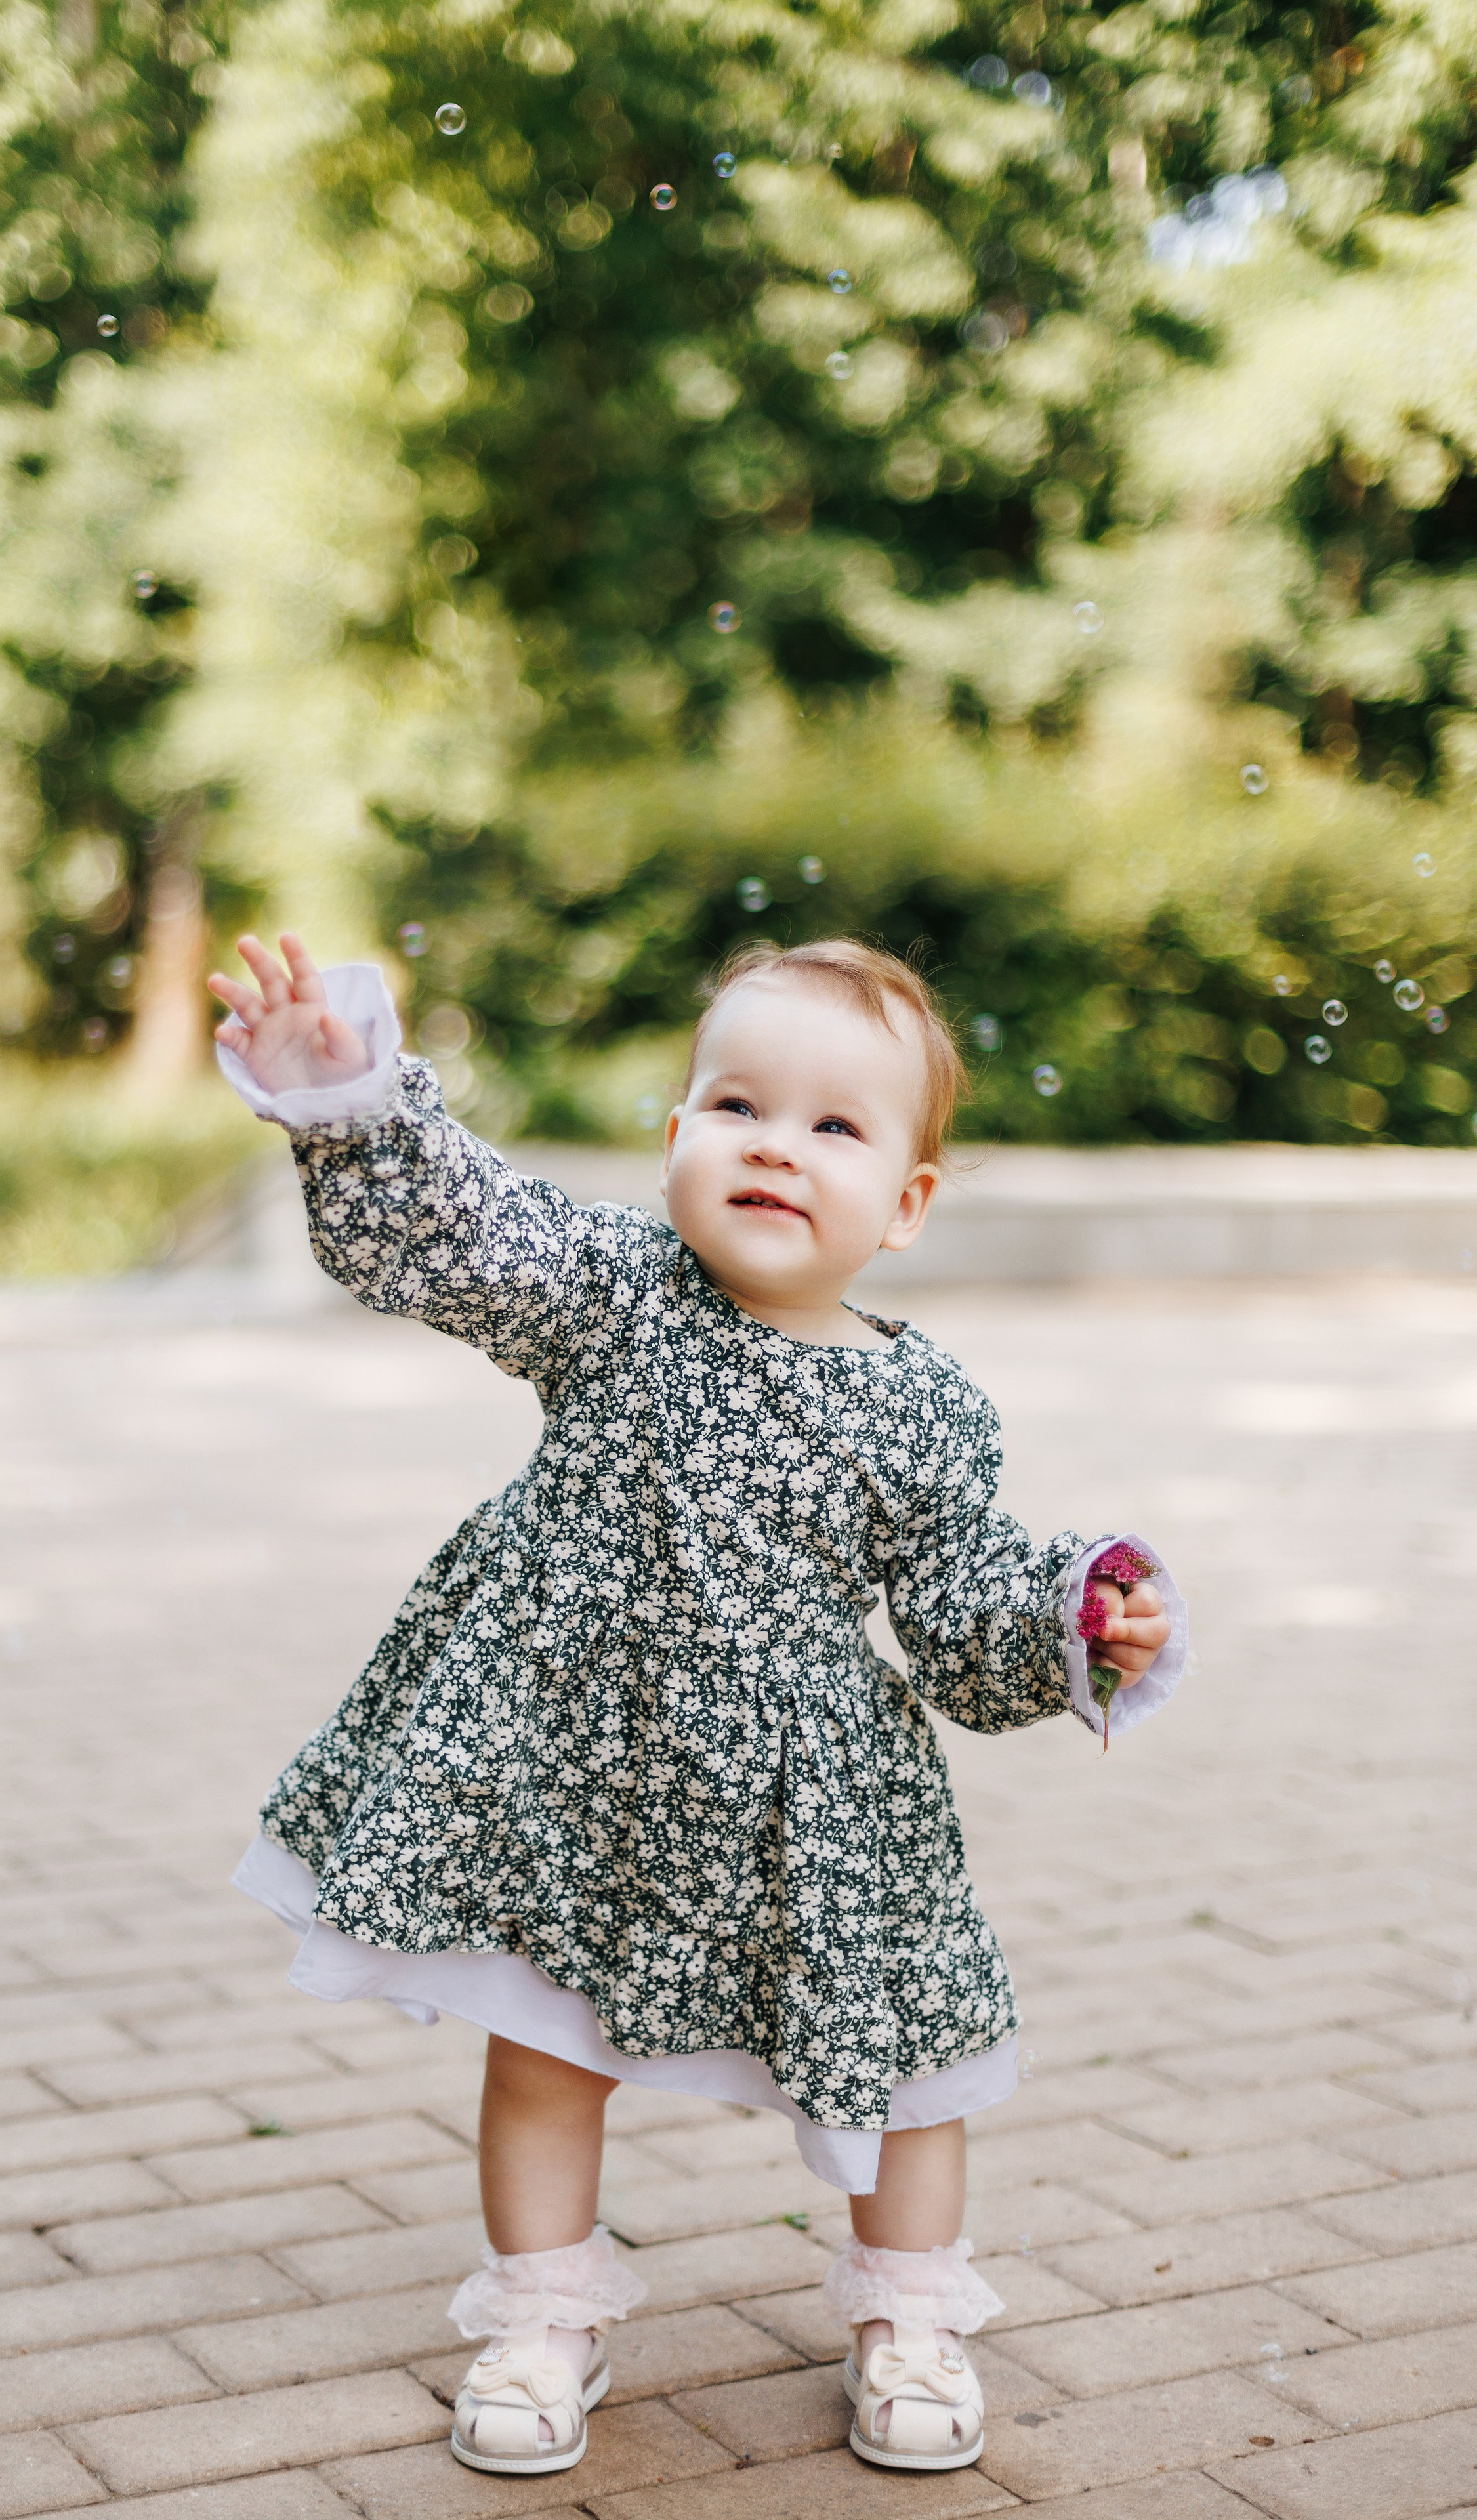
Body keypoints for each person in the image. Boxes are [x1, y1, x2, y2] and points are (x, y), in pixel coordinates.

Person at [207, 928, 1186, 2480]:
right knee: (539, 2034)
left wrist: (1070, 1621)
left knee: (902, 2057)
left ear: (905, 1204)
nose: (774, 1147)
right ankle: (543, 2318)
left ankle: (908, 2317)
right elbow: (463, 1228)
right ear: (674, 1139)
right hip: (568, 1761)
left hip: (805, 1804)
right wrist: (352, 1102)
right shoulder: (611, 1295)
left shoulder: (925, 1409)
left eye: (834, 1125)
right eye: (735, 1106)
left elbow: (956, 1610)